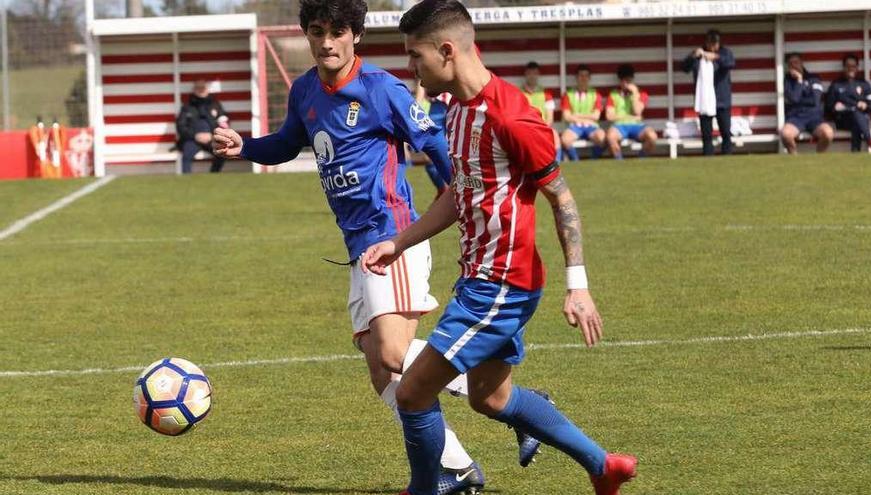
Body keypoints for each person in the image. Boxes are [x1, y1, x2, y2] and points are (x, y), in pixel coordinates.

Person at [211, 1, 540, 493]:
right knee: (383, 376)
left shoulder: (381, 88)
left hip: (394, 236)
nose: (326, 42)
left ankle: (516, 403)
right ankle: (458, 466)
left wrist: (460, 195)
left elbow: (432, 142)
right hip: (357, 246)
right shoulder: (304, 91)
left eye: (337, 31)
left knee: (391, 352)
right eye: (317, 31)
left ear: (356, 35)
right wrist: (246, 147)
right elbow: (286, 143)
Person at [363, 1, 638, 494]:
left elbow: (562, 197)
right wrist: (399, 243)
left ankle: (429, 488)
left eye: (415, 57)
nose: (411, 70)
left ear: (447, 51)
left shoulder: (513, 117)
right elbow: (458, 194)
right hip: (480, 278)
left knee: (412, 392)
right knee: (490, 399)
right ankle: (604, 466)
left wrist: (579, 286)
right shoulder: (453, 111)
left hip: (501, 285)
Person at [682, 29, 735, 156]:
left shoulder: (725, 52)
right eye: (710, 43)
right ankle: (708, 157)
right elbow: (684, 68)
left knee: (726, 133)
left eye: (715, 43)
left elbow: (730, 63)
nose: (712, 46)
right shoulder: (699, 54)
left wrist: (716, 57)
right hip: (704, 100)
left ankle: (727, 156)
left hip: (721, 100)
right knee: (706, 134)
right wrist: (693, 56)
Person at [780, 52, 834, 154]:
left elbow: (815, 100)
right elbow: (794, 98)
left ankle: (819, 158)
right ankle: (794, 161)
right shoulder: (787, 80)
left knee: (828, 133)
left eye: (796, 62)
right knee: (786, 134)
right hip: (796, 117)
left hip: (814, 117)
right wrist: (799, 81)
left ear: (802, 63)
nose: (794, 65)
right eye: (791, 64)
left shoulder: (814, 78)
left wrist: (800, 100)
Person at [826, 53, 871, 152]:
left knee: (857, 120)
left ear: (857, 68)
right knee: (856, 115)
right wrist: (837, 108)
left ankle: (856, 153)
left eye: (853, 66)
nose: (850, 68)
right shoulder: (836, 85)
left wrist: (865, 105)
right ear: (843, 67)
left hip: (861, 119)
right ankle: (870, 141)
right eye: (848, 66)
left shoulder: (864, 84)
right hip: (843, 120)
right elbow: (829, 107)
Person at [605, 64, 657, 159]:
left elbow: (637, 111)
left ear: (632, 80)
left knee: (652, 136)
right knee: (610, 137)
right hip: (619, 126)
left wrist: (635, 94)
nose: (626, 83)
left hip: (637, 126)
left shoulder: (641, 94)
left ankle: (641, 160)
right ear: (619, 80)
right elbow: (609, 116)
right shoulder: (613, 94)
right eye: (623, 80)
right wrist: (629, 117)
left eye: (628, 80)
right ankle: (620, 163)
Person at [176, 79, 228, 173]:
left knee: (222, 152)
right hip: (192, 139)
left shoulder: (215, 105)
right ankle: (186, 182)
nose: (200, 90)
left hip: (211, 138)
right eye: (198, 88)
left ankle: (213, 177)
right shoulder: (187, 107)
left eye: (202, 88)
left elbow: (224, 124)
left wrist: (212, 135)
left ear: (207, 89)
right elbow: (181, 126)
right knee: (186, 156)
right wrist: (195, 136)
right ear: (193, 90)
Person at [560, 64, 606, 160]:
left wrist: (577, 115)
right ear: (576, 78)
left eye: (586, 76)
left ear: (589, 78)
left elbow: (596, 116)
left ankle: (592, 161)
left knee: (602, 138)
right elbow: (566, 116)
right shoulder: (568, 94)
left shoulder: (595, 94)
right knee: (565, 140)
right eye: (581, 75)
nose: (583, 78)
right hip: (575, 126)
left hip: (592, 126)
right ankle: (576, 162)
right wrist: (586, 118)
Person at [520, 61, 563, 162]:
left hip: (542, 127)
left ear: (538, 75)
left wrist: (542, 128)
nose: (532, 76)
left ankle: (557, 164)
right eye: (530, 73)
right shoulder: (518, 93)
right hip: (524, 128)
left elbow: (550, 118)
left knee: (555, 136)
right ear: (525, 74)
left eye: (535, 73)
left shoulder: (546, 94)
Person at [414, 82, 452, 196]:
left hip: (450, 106)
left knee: (450, 150)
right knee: (432, 153)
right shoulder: (427, 68)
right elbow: (421, 85)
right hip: (435, 108)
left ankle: (448, 190)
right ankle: (444, 189)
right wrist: (416, 108)